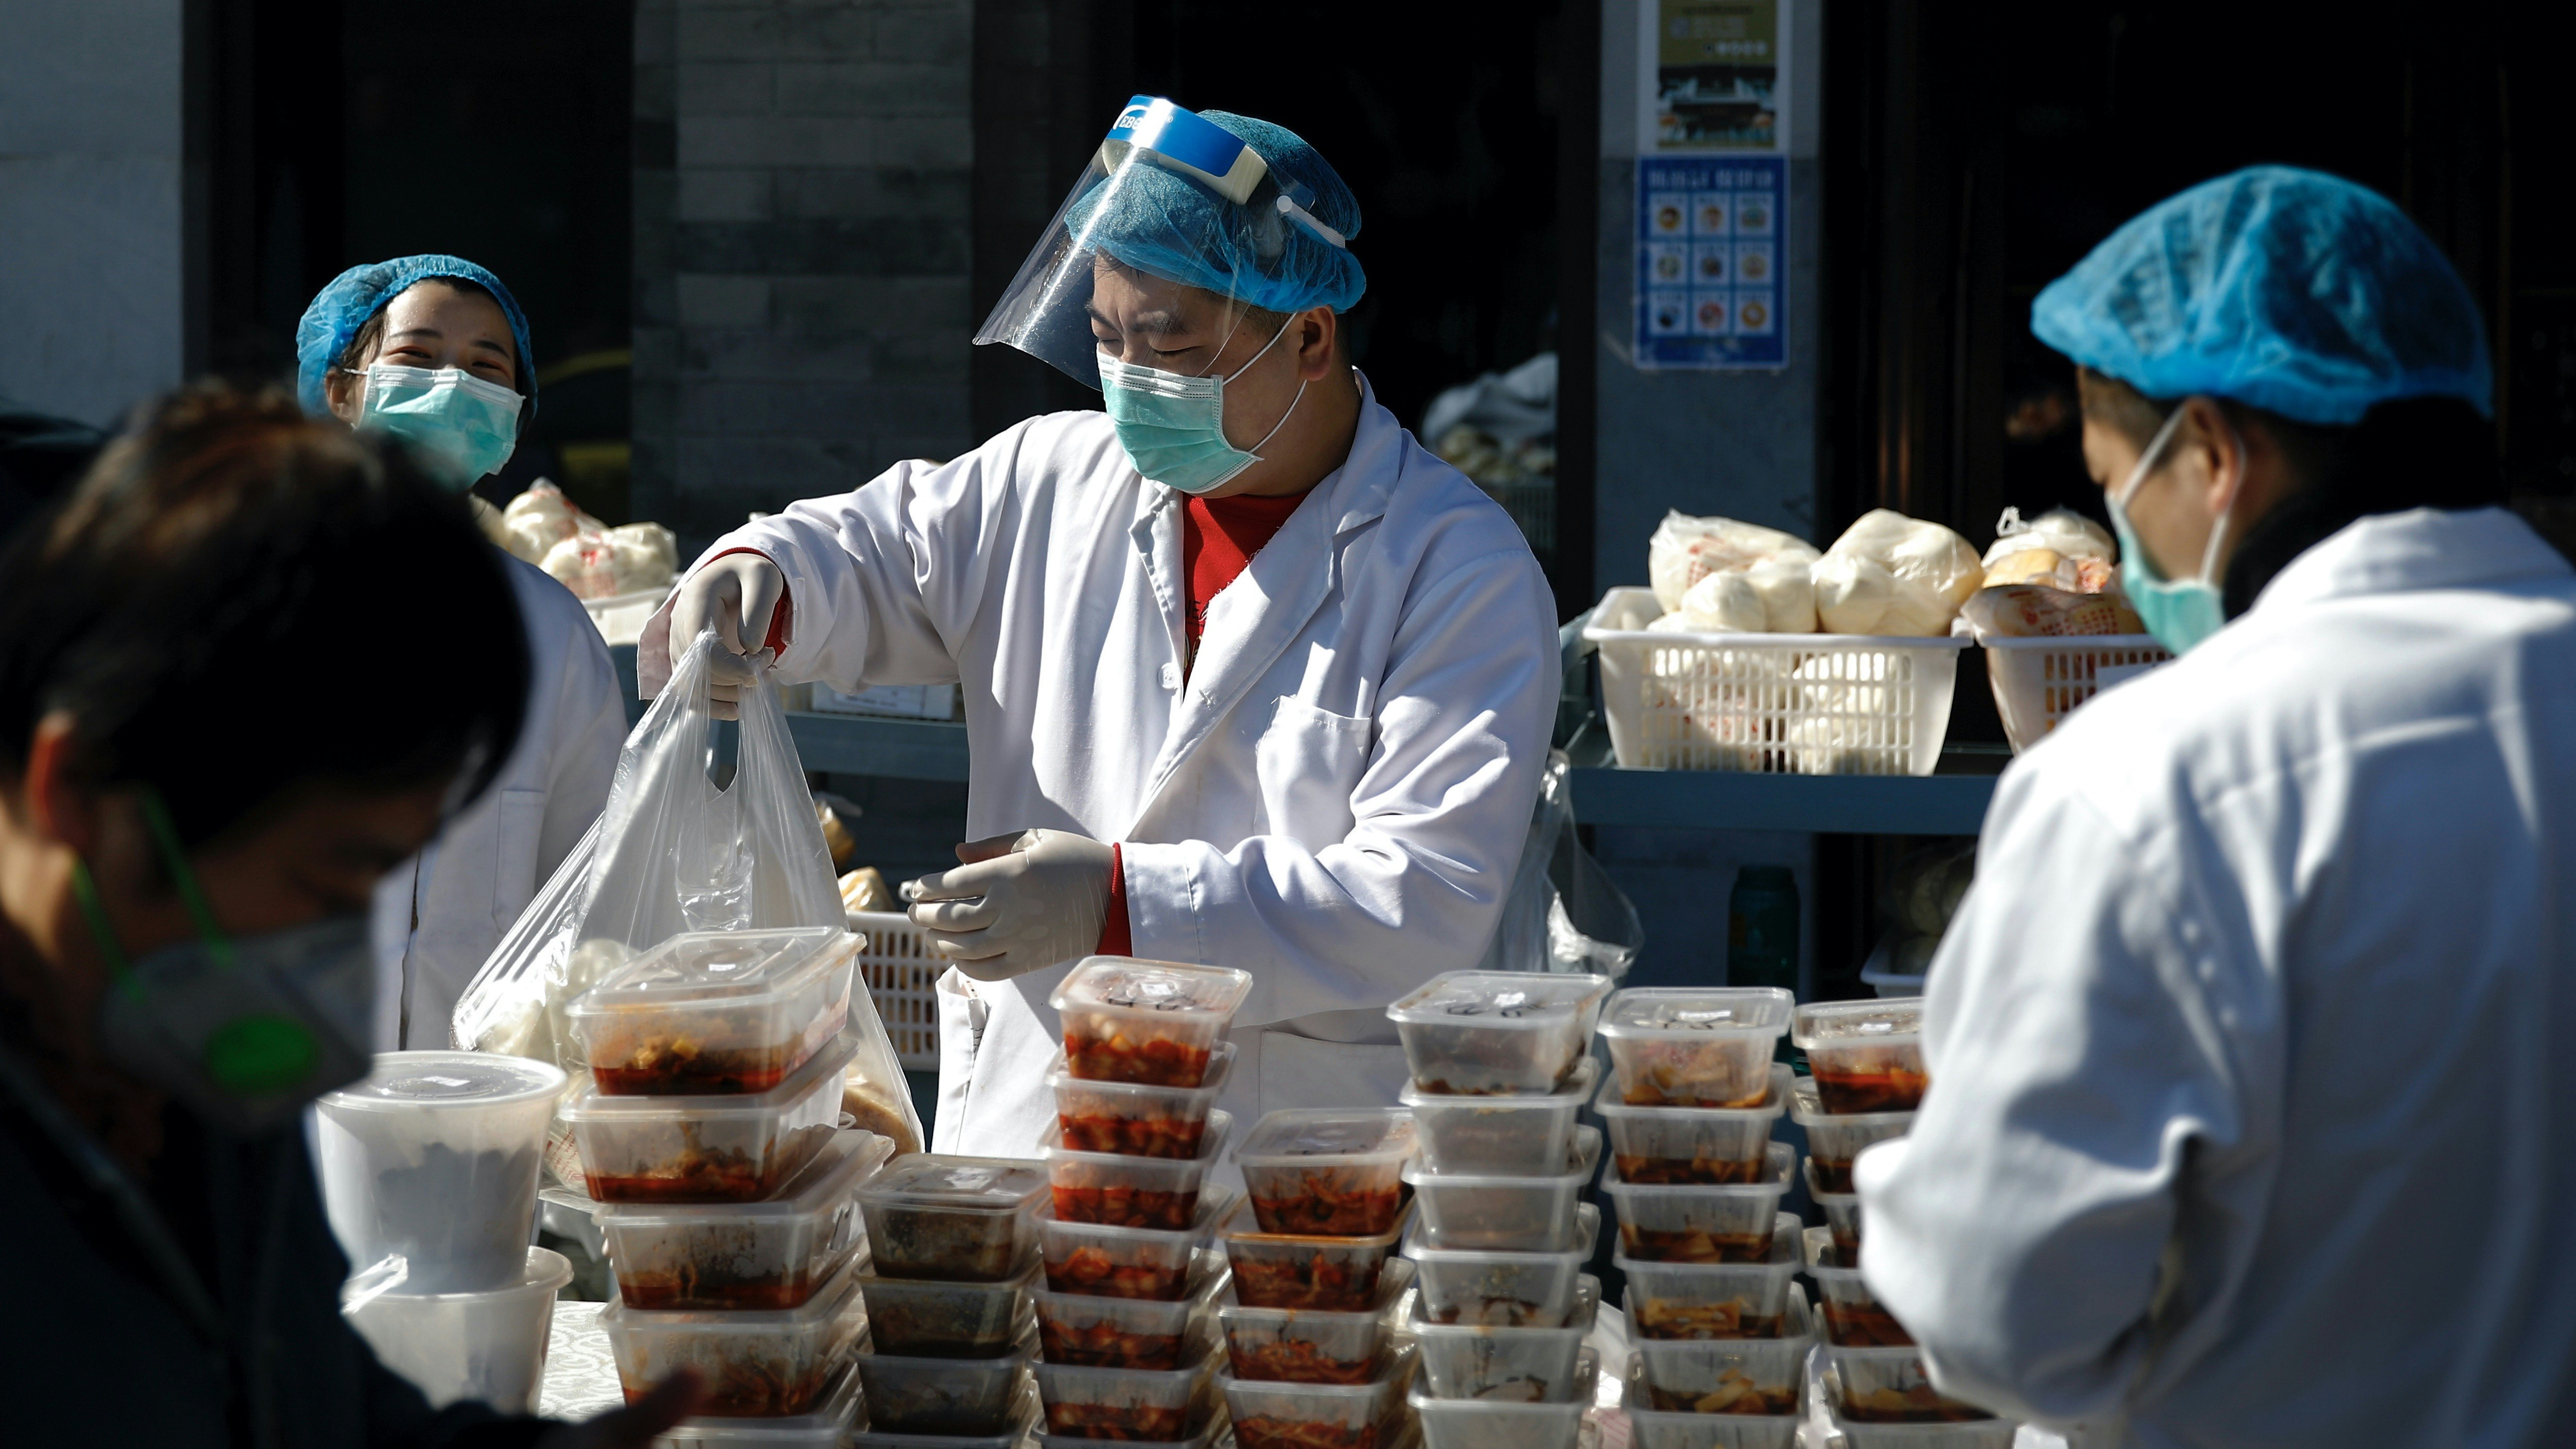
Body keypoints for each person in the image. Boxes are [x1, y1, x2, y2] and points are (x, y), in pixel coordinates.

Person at [644, 98, 1559, 1155]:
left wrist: (1119, 902)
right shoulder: (1050, 477)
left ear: (1308, 336)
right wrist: (766, 572)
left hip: (1275, 1186)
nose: (1129, 379)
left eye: (1166, 342)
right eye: (1105, 337)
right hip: (1025, 1143)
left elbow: (1426, 898)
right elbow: (874, 549)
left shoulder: (1458, 566)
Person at [1856, 166, 2576, 1446]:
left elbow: (1992, 1307)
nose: (2131, 558)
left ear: (2210, 455)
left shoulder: (2155, 780)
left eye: (2114, 484)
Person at [0, 385, 696, 1446]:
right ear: (80, 794)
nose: (339, 966)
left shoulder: (188, 1058)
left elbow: (313, 1410)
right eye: (327, 881)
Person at [295, 257, 625, 1051]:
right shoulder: (252, 607)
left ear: (511, 418)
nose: (452, 385)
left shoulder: (553, 635)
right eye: (416, 357)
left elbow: (595, 888)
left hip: (482, 1096)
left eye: (485, 367)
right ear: (343, 392)